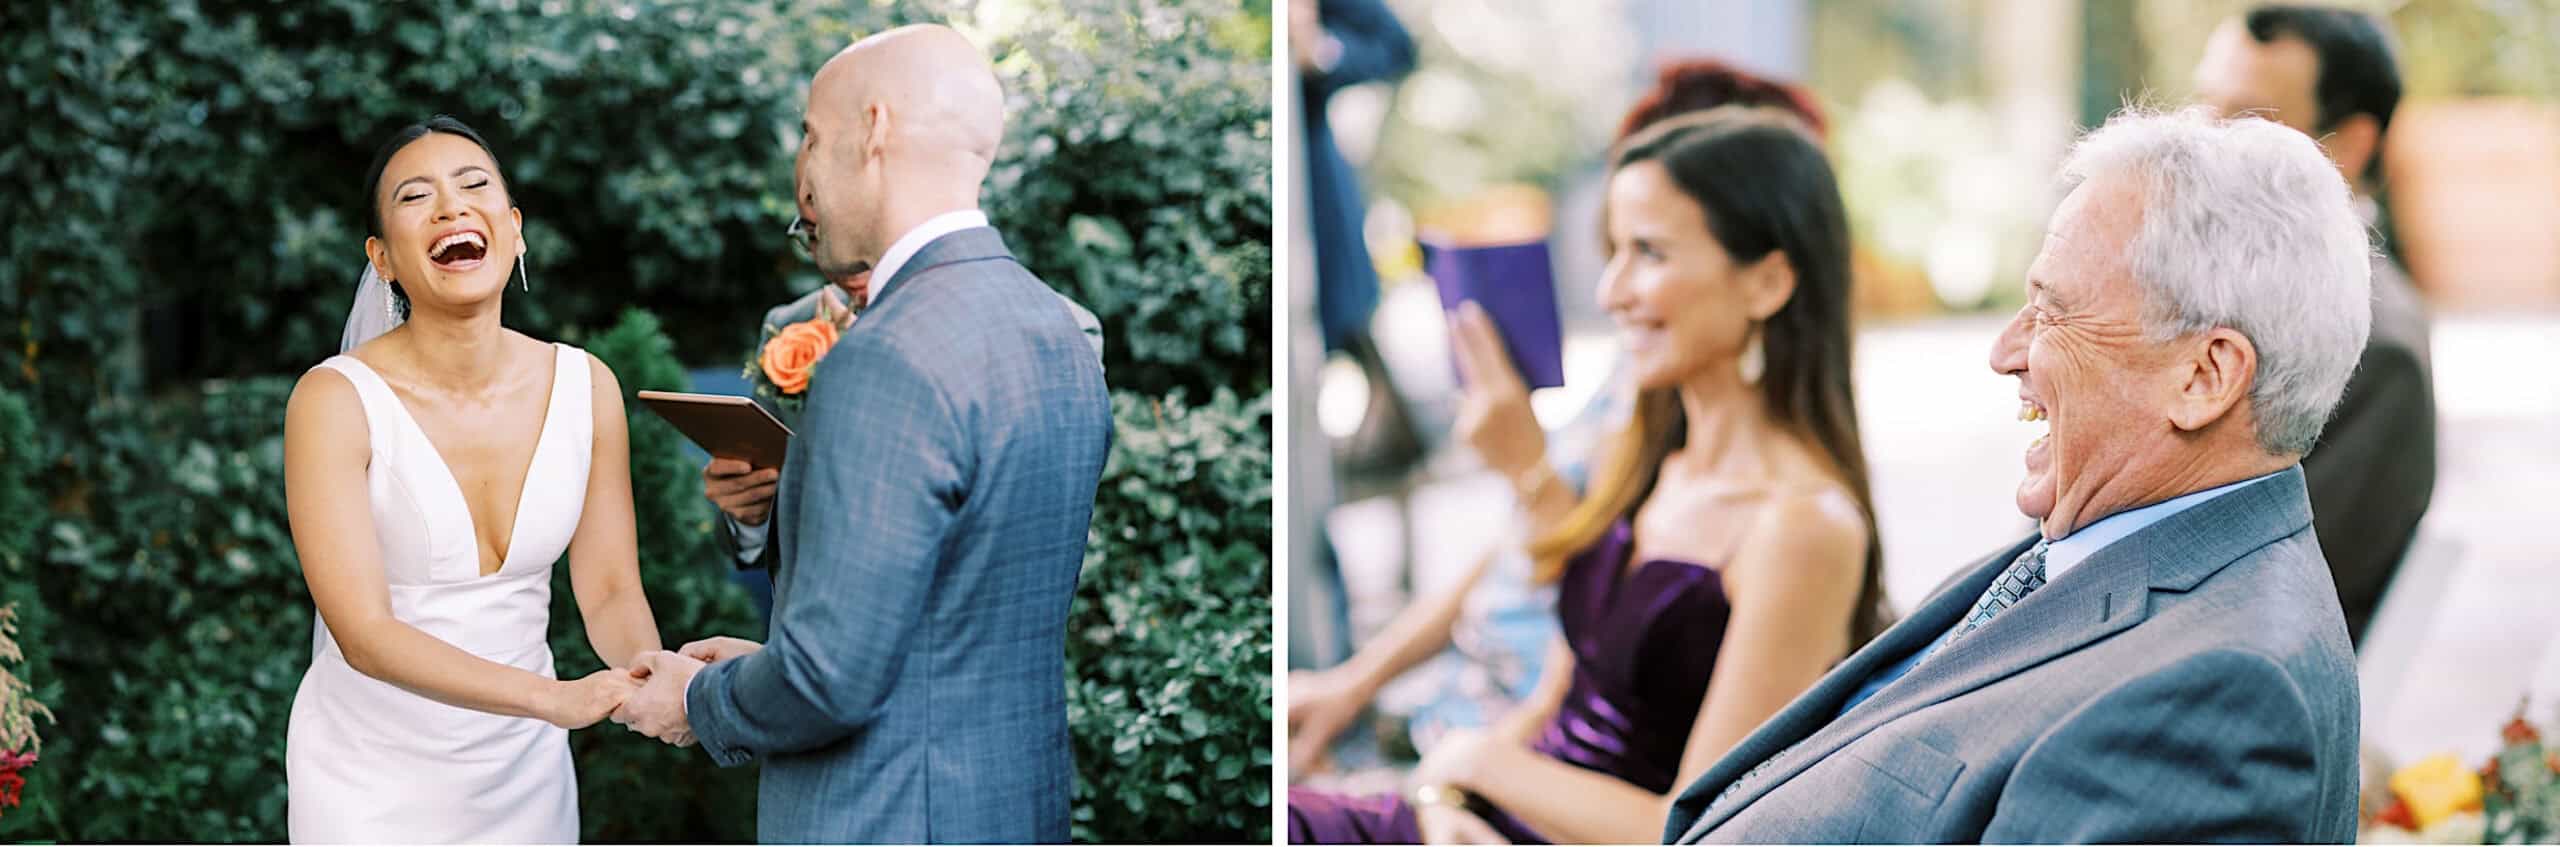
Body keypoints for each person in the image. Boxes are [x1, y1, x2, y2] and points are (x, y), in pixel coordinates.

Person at [1664, 107, 2368, 844]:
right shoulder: (2106, 546)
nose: (2005, 351)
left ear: (2204, 376)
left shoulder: (2217, 697)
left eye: (2051, 311)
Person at [1291, 106, 1891, 845]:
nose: (1611, 291)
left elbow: (1692, 827)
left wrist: (1473, 760)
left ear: (1766, 282)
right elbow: (1552, 699)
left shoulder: (1803, 526)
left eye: (1649, 252)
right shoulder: (1642, 450)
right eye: (1613, 250)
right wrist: (1445, 795)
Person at [603, 25, 1113, 844]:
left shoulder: (885, 355)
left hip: (886, 815)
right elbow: (954, 614)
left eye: (809, 134)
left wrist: (697, 699)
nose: (802, 168)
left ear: (873, 129)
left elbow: (827, 681)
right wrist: (761, 664)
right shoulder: (1058, 331)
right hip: (1010, 807)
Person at [282, 115, 663, 842]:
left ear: (514, 230)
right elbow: (363, 632)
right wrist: (552, 698)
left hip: (525, 776)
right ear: (382, 257)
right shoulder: (332, 401)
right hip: (370, 782)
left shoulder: (587, 386)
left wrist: (655, 677)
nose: (452, 207)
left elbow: (611, 588)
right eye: (414, 196)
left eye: (474, 185)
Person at [2191, 3, 2435, 646]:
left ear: (2348, 146)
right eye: (2203, 107)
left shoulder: (2378, 350)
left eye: (2243, 122)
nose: (2198, 146)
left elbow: (2267, 598)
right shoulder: (2199, 274)